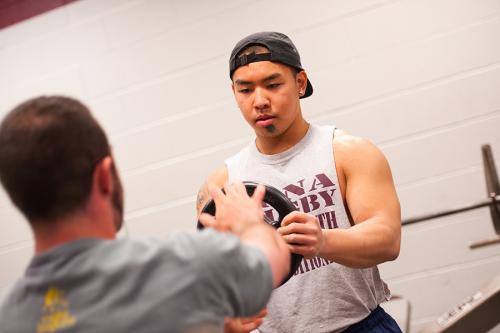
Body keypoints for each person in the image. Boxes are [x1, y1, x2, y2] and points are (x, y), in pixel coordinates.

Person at [0, 96, 290, 333]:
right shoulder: (186, 264)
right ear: (104, 176)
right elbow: (272, 256)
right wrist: (250, 224)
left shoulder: (9, 318)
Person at [197, 31, 402, 333]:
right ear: (234, 94)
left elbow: (387, 239)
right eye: (246, 90)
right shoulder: (223, 184)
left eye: (273, 84)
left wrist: (323, 241)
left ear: (300, 83)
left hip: (361, 326)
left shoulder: (347, 152)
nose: (260, 101)